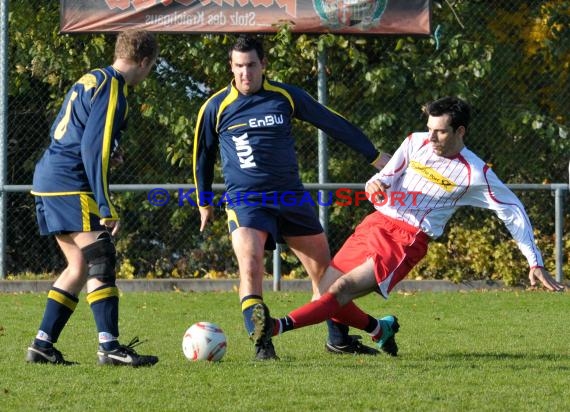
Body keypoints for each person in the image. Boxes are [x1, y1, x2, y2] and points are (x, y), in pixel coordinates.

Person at [251, 96, 565, 356]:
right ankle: (380, 329)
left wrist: (534, 260)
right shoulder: (415, 142)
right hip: (374, 224)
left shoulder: (475, 174)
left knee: (340, 290)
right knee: (323, 296)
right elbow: (386, 175)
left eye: (440, 132)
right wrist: (375, 185)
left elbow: (513, 211)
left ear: (460, 131)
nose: (431, 138)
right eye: (429, 129)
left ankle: (274, 327)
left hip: (405, 239)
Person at [192, 34, 390, 360]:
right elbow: (202, 155)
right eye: (239, 66)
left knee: (327, 277)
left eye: (251, 65)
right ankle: (261, 344)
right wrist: (203, 202)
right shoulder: (215, 107)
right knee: (251, 265)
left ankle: (338, 340)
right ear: (231, 66)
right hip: (246, 201)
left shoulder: (284, 96)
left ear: (263, 64)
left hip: (291, 199)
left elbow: (330, 122)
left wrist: (374, 155)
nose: (245, 73)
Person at [26, 29, 160, 366]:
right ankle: (109, 347)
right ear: (144, 61)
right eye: (152, 66)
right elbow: (91, 148)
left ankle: (42, 344)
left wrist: (107, 151)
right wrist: (105, 204)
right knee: (101, 254)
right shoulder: (114, 85)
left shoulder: (93, 78)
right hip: (70, 182)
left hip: (49, 178)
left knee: (80, 264)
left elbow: (73, 131)